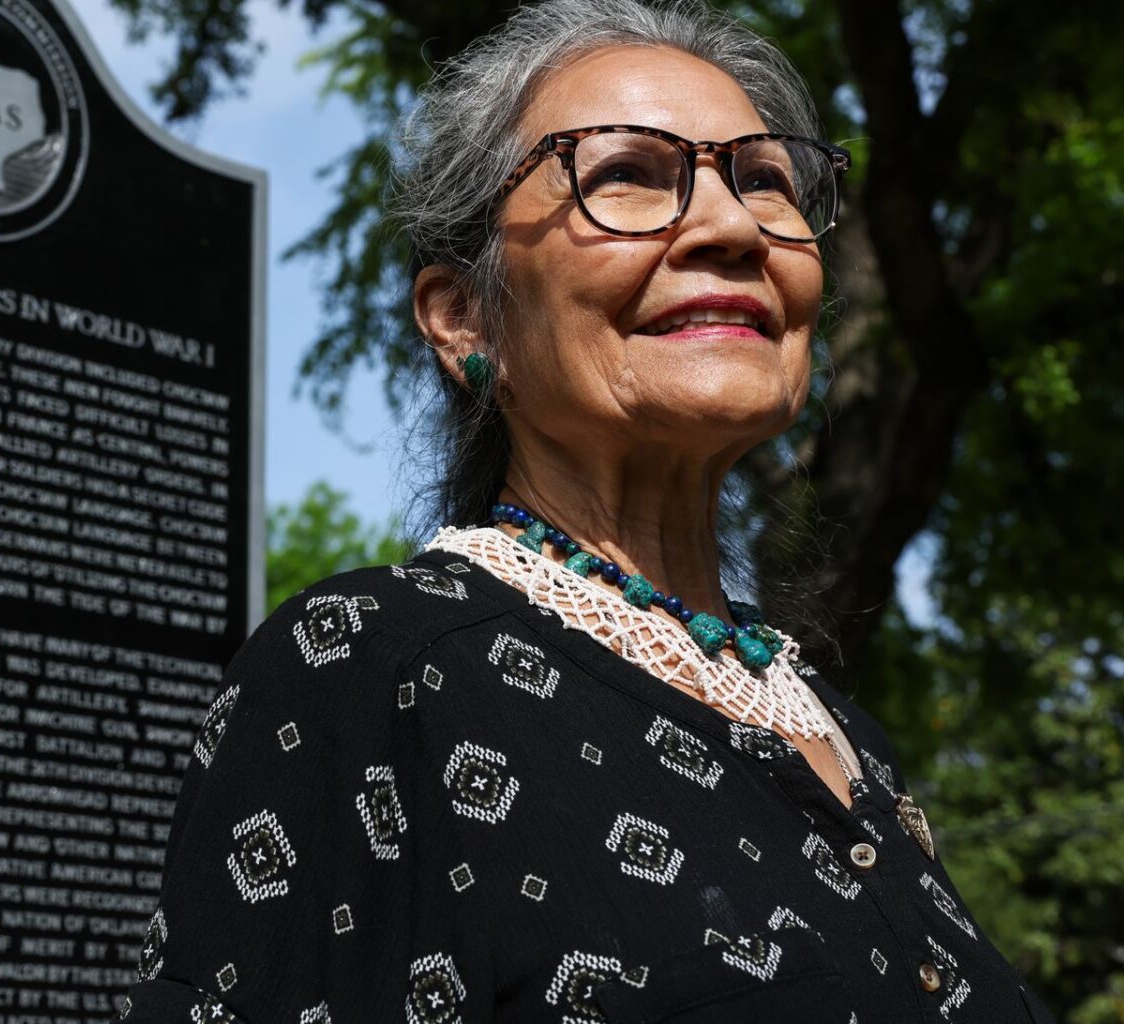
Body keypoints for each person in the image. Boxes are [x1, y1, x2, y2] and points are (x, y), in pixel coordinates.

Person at [117, 0, 1057, 1019]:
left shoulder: (843, 731)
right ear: (465, 317)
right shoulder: (375, 665)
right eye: (624, 175)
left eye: (764, 180)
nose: (732, 227)